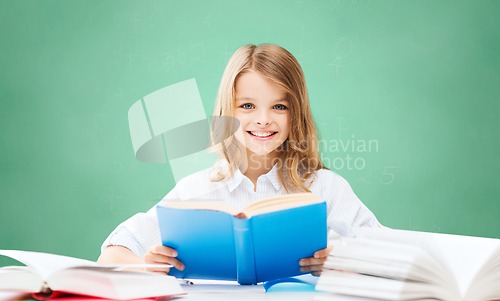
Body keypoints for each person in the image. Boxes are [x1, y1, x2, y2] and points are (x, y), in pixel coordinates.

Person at [98, 43, 380, 276]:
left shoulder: (325, 187)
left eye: (279, 106)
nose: (263, 119)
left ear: (297, 114)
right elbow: (112, 253)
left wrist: (345, 261)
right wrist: (146, 267)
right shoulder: (194, 190)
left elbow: (388, 253)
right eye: (247, 106)